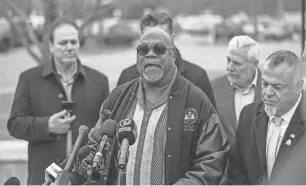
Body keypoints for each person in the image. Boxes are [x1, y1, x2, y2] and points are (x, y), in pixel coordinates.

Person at [79, 27, 229, 185]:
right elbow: (94, 147)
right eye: (143, 50)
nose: (150, 54)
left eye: (159, 49)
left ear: (174, 56)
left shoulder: (197, 101)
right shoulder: (118, 97)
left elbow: (212, 160)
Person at [7, 19, 110, 185]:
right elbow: (14, 124)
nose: (69, 47)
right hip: (44, 179)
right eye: (63, 42)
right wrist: (46, 125)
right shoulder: (29, 79)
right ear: (51, 46)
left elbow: (107, 131)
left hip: (85, 179)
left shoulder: (99, 81)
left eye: (73, 42)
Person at [227, 50, 305, 185]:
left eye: (277, 87)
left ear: (298, 86)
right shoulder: (249, 115)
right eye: (264, 84)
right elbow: (236, 171)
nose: (268, 93)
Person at [117, 11, 216, 107]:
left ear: (172, 38)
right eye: (148, 37)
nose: (153, 44)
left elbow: (210, 122)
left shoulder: (196, 77)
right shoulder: (127, 77)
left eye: (160, 38)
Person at [212, 35, 262, 146]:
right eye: (228, 60)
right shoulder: (213, 88)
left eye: (237, 63)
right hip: (226, 162)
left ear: (255, 64)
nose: (229, 67)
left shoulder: (271, 88)